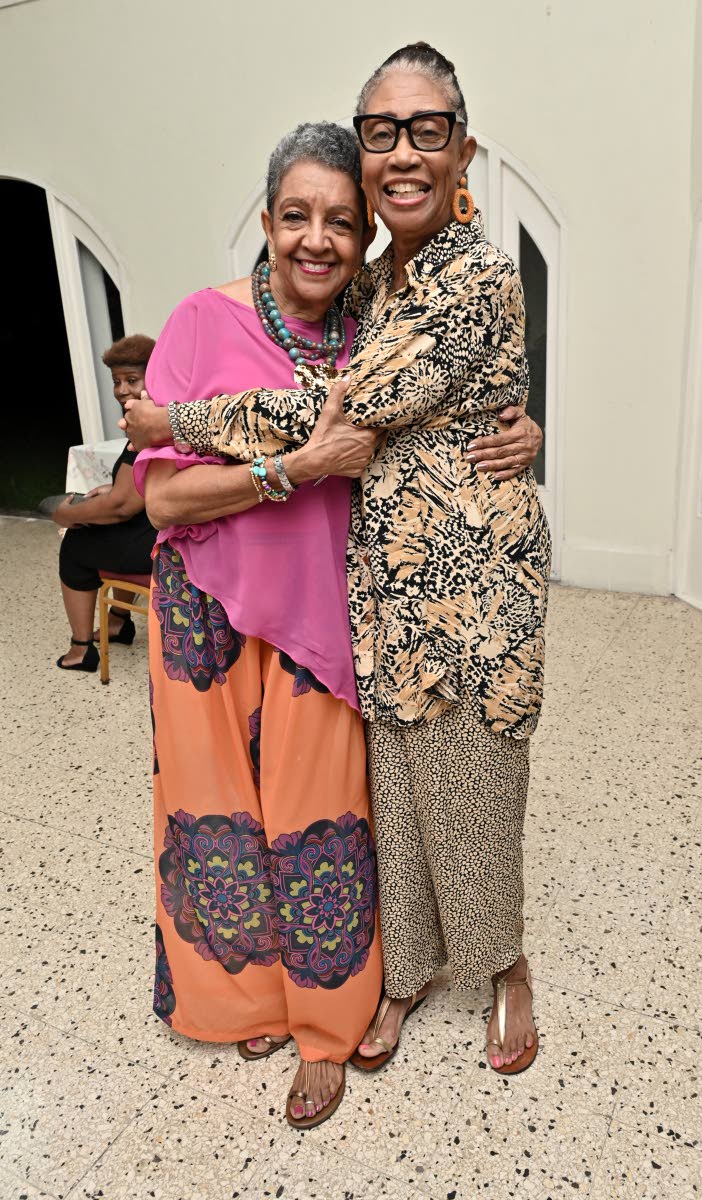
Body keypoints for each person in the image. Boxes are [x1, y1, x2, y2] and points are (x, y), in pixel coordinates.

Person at [125, 44, 550, 1080]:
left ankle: (503, 968)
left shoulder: (463, 277)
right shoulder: (368, 285)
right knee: (382, 804)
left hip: (461, 593)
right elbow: (194, 460)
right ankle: (392, 976)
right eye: (384, 133)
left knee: (456, 795)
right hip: (365, 593)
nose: (404, 152)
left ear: (463, 150)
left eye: (427, 129)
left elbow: (342, 409)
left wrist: (172, 416)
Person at [133, 124, 389, 1130]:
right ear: (269, 217)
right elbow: (162, 504)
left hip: (326, 614)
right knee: (215, 811)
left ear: (365, 235)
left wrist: (522, 429)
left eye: (340, 221)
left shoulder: (380, 341)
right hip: (204, 604)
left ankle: (326, 1029)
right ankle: (241, 995)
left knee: (320, 818)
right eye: (297, 216)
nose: (316, 240)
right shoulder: (201, 320)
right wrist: (297, 468)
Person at [54, 335, 156, 672]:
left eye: (131, 380)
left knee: (75, 545)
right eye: (116, 382)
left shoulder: (147, 427)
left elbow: (122, 507)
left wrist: (69, 514)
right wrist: (111, 487)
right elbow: (140, 484)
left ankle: (81, 650)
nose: (123, 389)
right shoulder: (162, 414)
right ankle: (117, 621)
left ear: (154, 375)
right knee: (113, 530)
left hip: (159, 546)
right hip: (163, 530)